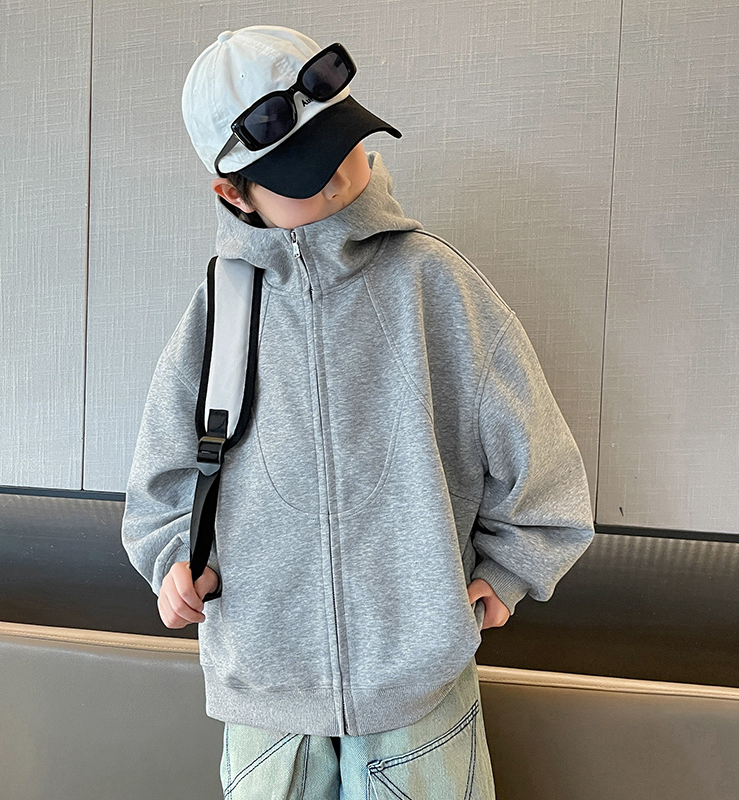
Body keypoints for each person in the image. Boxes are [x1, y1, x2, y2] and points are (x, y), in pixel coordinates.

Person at [121, 24, 595, 799]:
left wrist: (510, 571)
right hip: (268, 697)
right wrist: (177, 561)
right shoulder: (222, 310)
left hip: (419, 691)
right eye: (302, 172)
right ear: (234, 194)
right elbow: (162, 484)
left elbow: (539, 457)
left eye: (343, 142)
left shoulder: (433, 285)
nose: (338, 175)